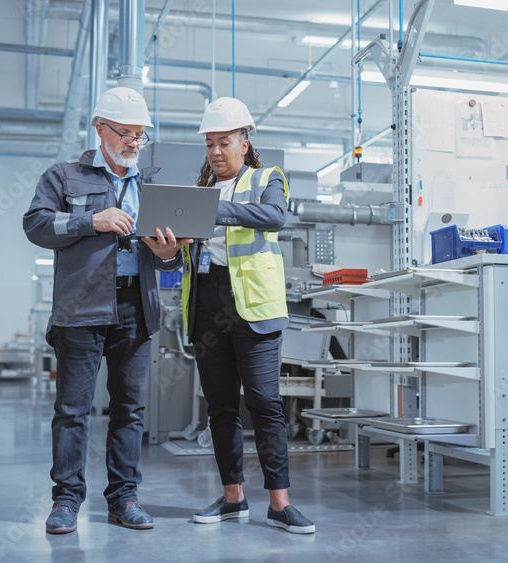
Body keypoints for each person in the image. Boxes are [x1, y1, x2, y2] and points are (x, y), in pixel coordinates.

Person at [23, 87, 191, 534]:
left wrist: (170, 252)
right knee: (73, 410)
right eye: (126, 132)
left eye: (140, 134)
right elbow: (36, 225)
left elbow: (169, 260)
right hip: (80, 310)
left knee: (130, 410)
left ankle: (124, 498)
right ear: (100, 129)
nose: (135, 142)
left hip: (137, 307)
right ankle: (65, 502)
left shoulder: (152, 185)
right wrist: (90, 221)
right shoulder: (64, 176)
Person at [175, 97, 315, 534]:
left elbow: (274, 217)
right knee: (219, 408)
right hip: (206, 304)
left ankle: (279, 504)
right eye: (210, 144)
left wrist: (213, 208)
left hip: (253, 307)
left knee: (265, 404)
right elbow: (182, 251)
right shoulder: (195, 193)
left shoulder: (266, 178)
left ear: (244, 141)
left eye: (225, 142)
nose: (216, 151)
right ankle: (233, 499)